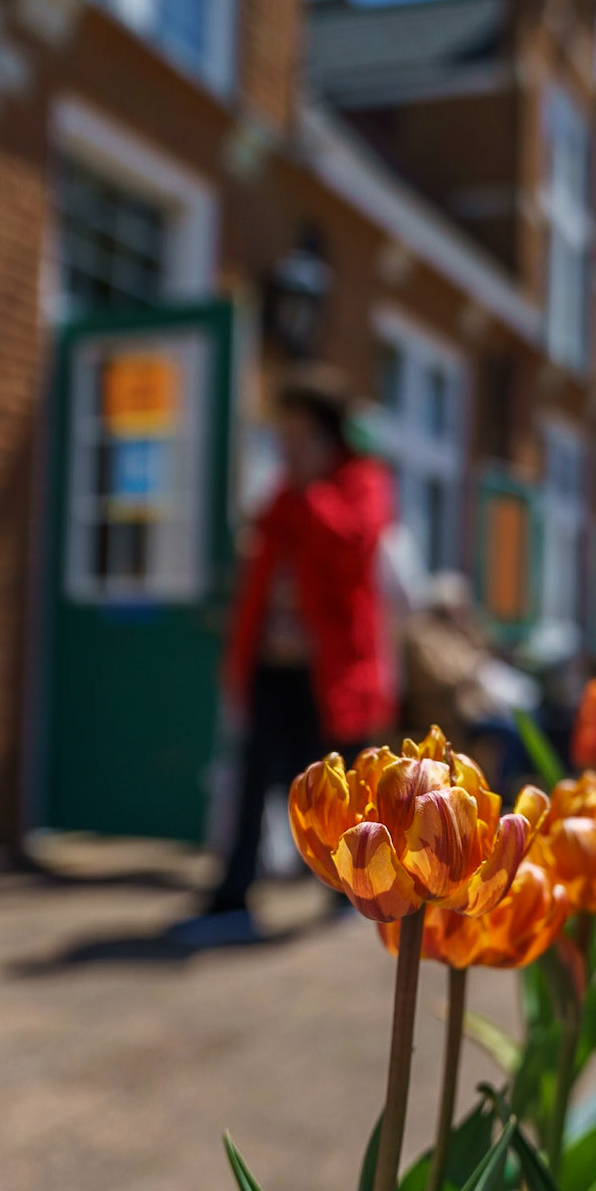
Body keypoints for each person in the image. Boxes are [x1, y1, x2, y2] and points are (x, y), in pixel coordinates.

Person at [172, 366, 396, 946]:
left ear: (329, 436)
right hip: (274, 666)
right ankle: (232, 899)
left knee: (339, 791)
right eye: (285, 435)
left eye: (302, 436)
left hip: (330, 674)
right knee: (253, 783)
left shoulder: (361, 483)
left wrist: (310, 493)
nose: (290, 448)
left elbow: (353, 548)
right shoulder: (282, 494)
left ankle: (351, 891)